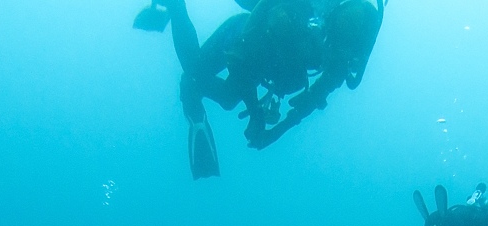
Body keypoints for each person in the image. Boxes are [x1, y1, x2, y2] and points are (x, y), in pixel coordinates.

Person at [133, 0, 383, 179]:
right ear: (336, 29)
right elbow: (241, 58)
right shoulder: (288, 20)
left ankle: (192, 92)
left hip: (268, 64)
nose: (342, 61)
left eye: (349, 55)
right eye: (343, 51)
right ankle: (175, 6)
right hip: (243, 36)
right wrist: (255, 113)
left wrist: (277, 132)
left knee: (227, 97)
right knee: (194, 72)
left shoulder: (341, 53)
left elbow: (312, 99)